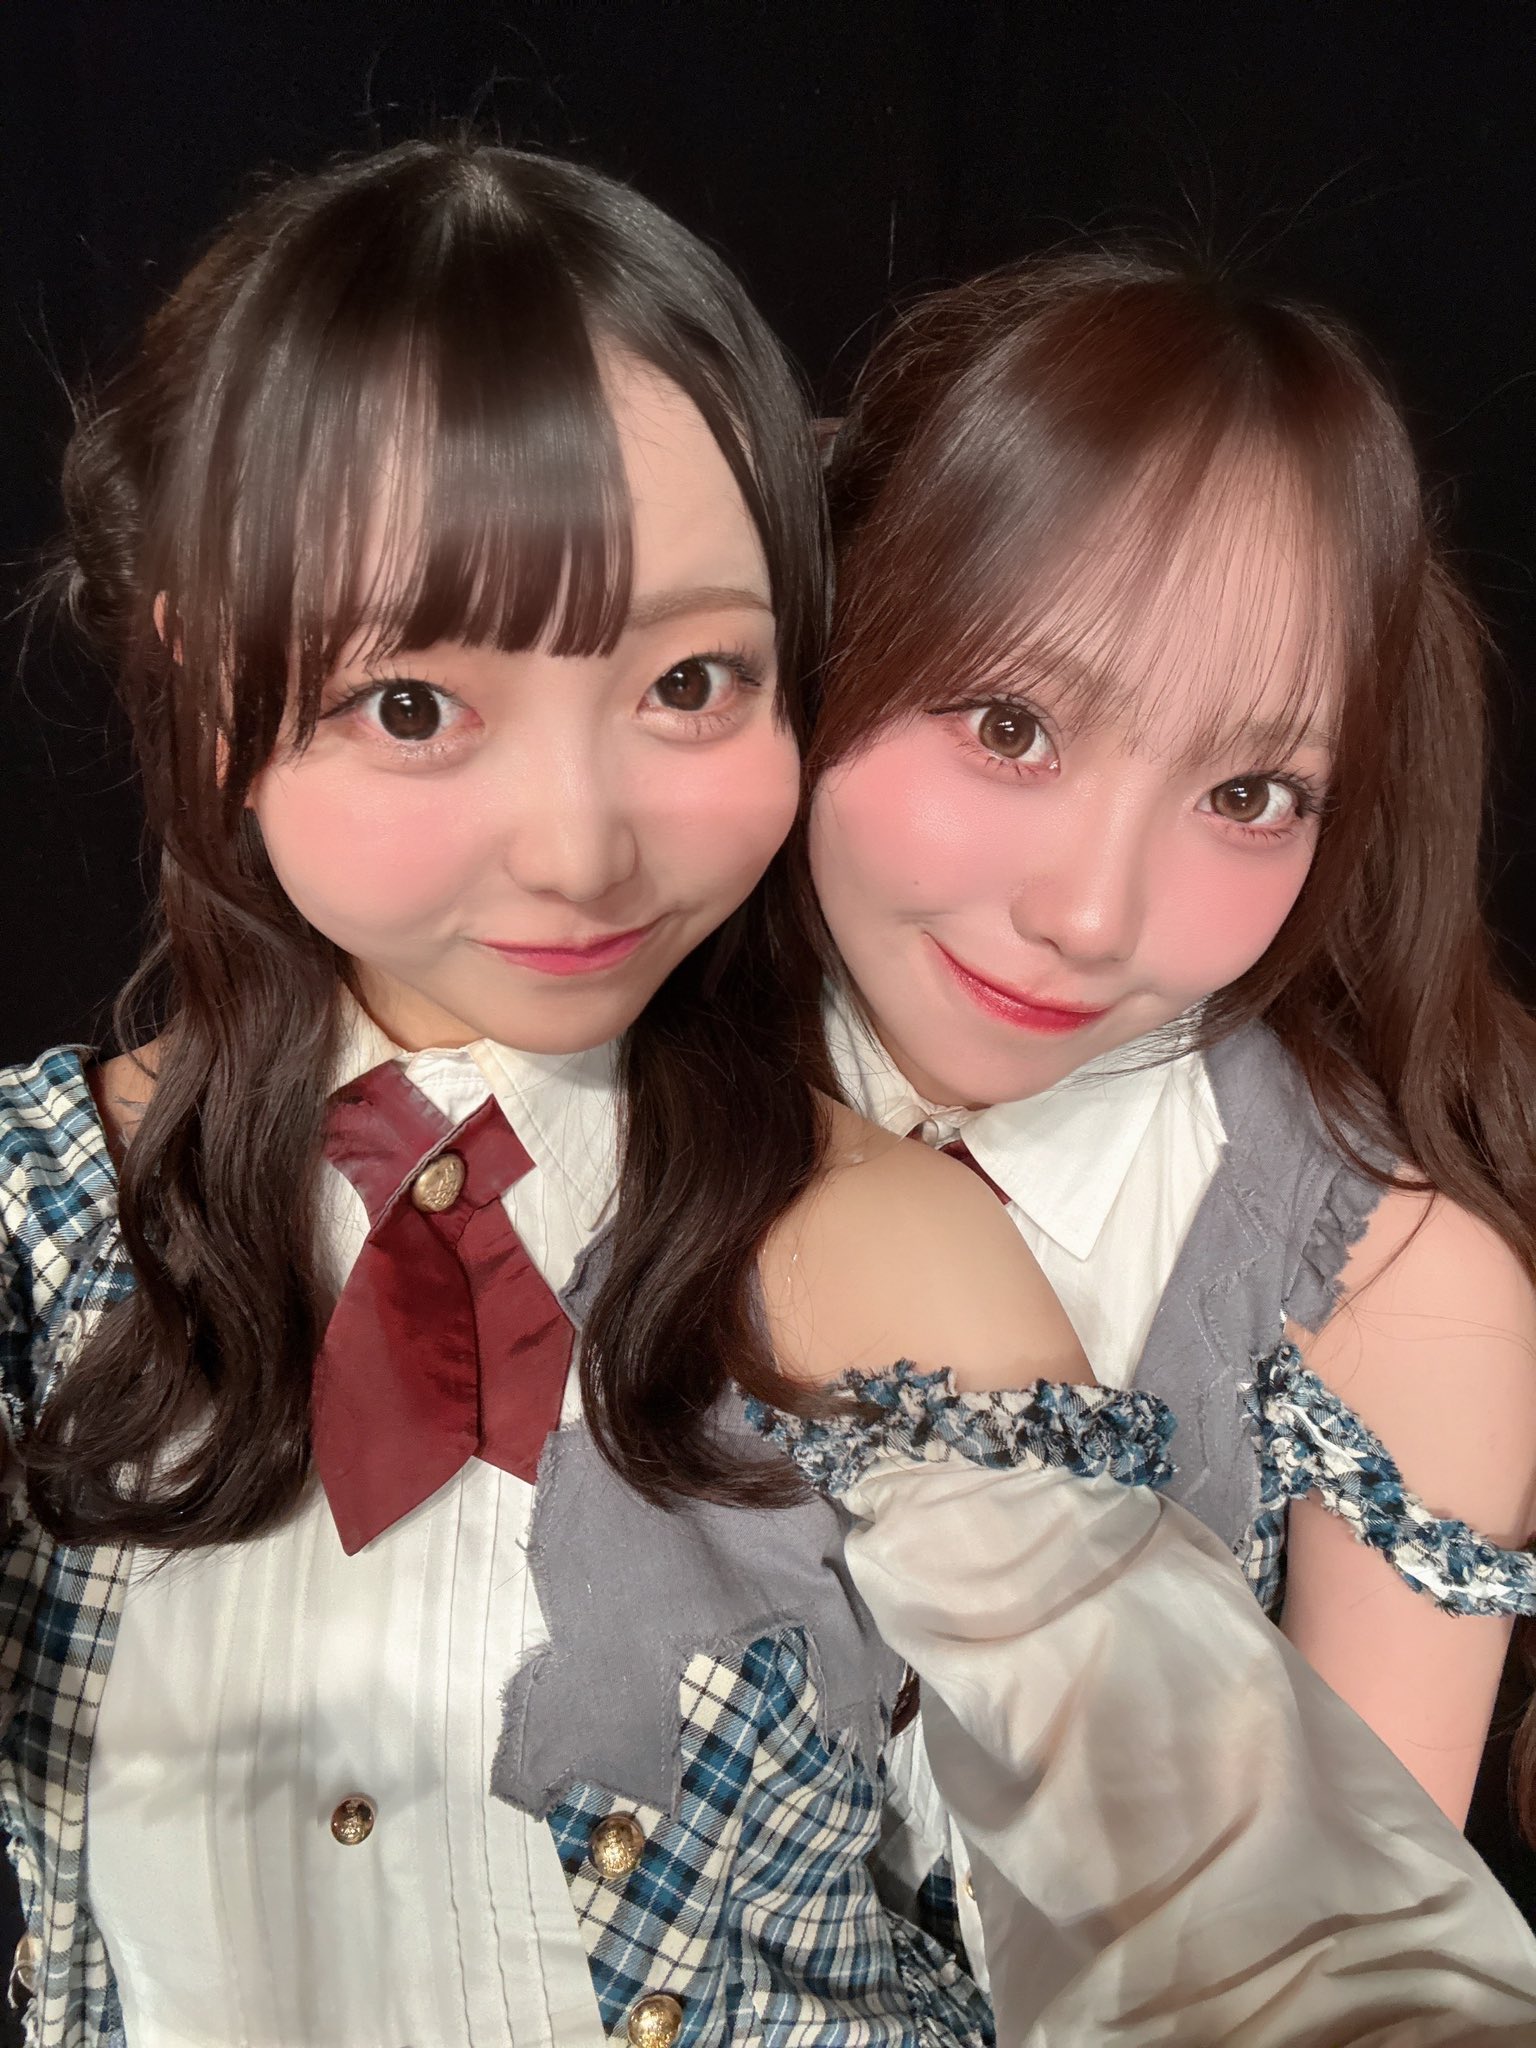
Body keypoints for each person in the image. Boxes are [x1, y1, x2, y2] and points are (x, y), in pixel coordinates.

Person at [3, 147, 1535, 2048]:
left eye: (690, 683)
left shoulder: (884, 1240)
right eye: (414, 705)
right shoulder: (63, 1207)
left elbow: (1275, 1922)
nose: (580, 849)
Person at [799, 248, 1536, 1836]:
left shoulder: (1388, 1289)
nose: (1090, 915)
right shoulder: (563, 1062)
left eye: (1247, 795)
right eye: (1010, 727)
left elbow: (1341, 1941)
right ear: (828, 621)